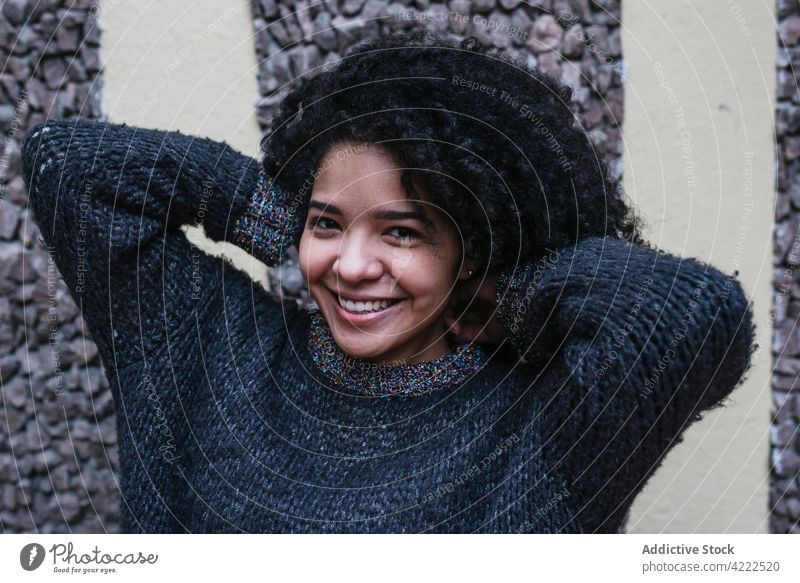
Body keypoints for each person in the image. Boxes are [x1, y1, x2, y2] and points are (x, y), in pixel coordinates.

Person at [20, 31, 757, 533]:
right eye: (330, 223)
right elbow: (66, 166)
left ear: (472, 250)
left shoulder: (547, 427)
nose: (351, 266)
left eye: (401, 231)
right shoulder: (208, 348)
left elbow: (695, 315)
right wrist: (278, 223)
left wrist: (514, 300)